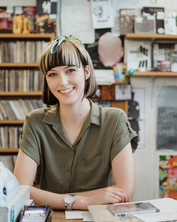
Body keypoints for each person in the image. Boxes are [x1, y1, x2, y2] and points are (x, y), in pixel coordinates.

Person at [13, 35, 138, 210]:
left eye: (70, 70)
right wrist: (85, 201)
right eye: (53, 74)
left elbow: (124, 193)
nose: (62, 82)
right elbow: (20, 191)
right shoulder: (35, 122)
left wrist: (49, 198)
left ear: (87, 72)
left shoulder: (115, 120)